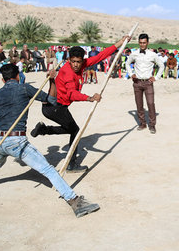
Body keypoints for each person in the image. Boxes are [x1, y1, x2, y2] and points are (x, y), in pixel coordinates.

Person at [0, 64, 100, 218]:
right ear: (18, 76)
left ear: (2, 79)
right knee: (48, 170)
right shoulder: (24, 88)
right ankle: (75, 201)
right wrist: (52, 81)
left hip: (0, 140)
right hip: (16, 141)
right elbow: (52, 99)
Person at [30, 36, 129, 171]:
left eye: (78, 62)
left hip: (56, 107)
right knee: (75, 131)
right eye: (73, 62)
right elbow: (72, 93)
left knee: (71, 129)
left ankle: (44, 129)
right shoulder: (67, 73)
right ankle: (72, 165)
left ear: (82, 60)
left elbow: (100, 56)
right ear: (69, 60)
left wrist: (120, 43)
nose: (76, 65)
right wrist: (90, 98)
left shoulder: (83, 64)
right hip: (54, 107)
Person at [125, 34, 165, 134]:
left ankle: (152, 125)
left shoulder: (153, 55)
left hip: (148, 83)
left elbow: (161, 66)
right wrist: (131, 74)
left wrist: (155, 77)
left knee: (150, 103)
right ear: (139, 43)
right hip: (137, 82)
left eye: (144, 43)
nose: (142, 45)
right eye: (140, 43)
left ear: (147, 43)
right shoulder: (134, 54)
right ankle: (142, 123)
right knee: (139, 104)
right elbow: (127, 63)